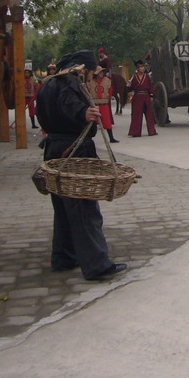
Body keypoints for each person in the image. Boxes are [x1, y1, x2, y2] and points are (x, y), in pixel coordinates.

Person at [35, 50, 126, 282]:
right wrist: (83, 112)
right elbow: (69, 103)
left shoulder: (48, 84)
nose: (90, 77)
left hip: (54, 149)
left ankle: (64, 258)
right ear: (82, 69)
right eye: (90, 72)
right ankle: (97, 265)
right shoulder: (69, 83)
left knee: (64, 208)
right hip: (74, 150)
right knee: (84, 209)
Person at [87, 64, 120, 143]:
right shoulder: (90, 82)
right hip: (94, 104)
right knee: (91, 122)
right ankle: (87, 138)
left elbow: (110, 91)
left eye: (102, 72)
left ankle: (111, 138)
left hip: (104, 104)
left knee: (107, 122)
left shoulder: (107, 81)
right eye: (99, 72)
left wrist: (108, 98)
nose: (101, 74)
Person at [127, 60, 157, 137]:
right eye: (141, 67)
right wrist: (128, 85)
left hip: (146, 97)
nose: (142, 68)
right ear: (137, 68)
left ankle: (152, 131)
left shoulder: (147, 77)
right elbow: (130, 88)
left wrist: (151, 95)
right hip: (137, 97)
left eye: (143, 67)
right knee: (136, 115)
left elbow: (150, 86)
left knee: (149, 115)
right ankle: (135, 132)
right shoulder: (134, 77)